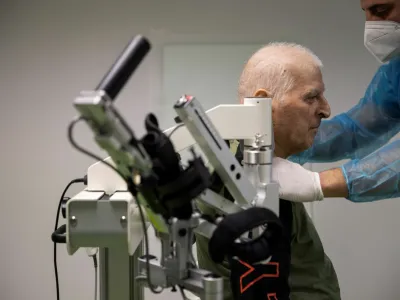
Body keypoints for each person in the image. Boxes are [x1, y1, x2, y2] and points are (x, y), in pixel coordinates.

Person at [195, 43, 341, 300]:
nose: (325, 109)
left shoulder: (262, 166)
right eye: (311, 97)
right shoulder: (245, 179)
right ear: (263, 102)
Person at [272, 0, 400, 203]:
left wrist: (321, 182)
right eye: (365, 12)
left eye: (382, 9)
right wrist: (280, 138)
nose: (371, 25)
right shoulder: (396, 73)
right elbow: (356, 130)